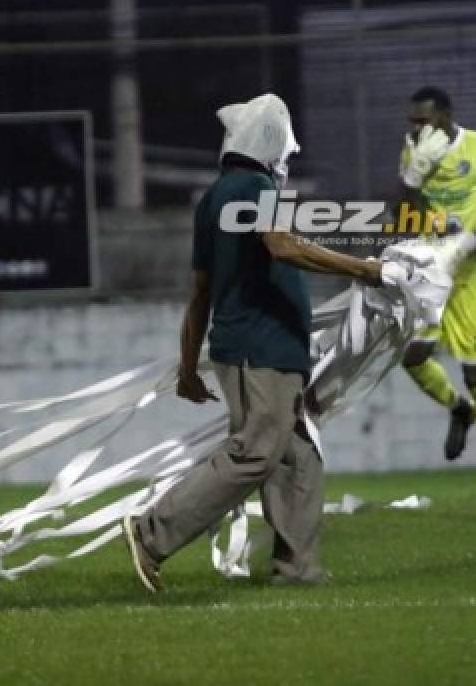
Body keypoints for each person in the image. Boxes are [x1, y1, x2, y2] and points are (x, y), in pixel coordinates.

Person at [122, 94, 388, 593]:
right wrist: (364, 269)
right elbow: (283, 245)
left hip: (259, 348)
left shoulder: (214, 197)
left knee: (297, 459)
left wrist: (187, 367)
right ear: (271, 141)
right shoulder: (259, 186)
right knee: (257, 453)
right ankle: (151, 533)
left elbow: (200, 292)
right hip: (259, 348)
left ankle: (298, 570)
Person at [396, 86, 476, 498]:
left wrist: (464, 243)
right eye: (411, 121)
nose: (416, 128)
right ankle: (458, 409)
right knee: (411, 356)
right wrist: (411, 179)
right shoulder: (414, 154)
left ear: (445, 116)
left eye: (423, 120)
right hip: (433, 270)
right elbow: (407, 216)